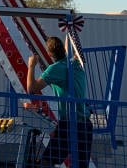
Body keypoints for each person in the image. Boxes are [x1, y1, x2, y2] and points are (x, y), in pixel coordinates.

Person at [26, 37, 92, 168]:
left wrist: (31, 65)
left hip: (69, 124)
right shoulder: (76, 64)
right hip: (84, 123)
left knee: (46, 161)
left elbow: (31, 89)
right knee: (81, 163)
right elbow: (68, 46)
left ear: (49, 54)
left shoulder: (54, 69)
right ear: (63, 49)